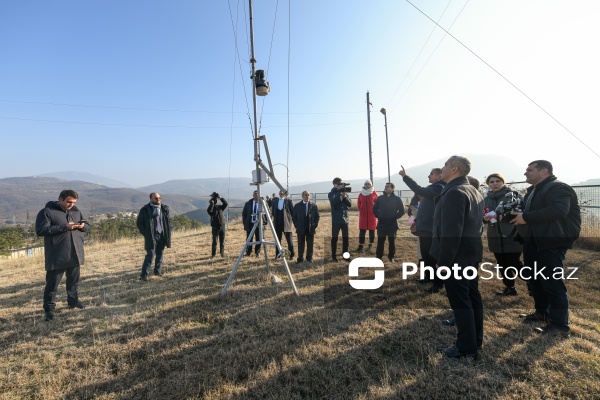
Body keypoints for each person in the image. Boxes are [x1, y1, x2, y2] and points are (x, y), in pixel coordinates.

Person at [511, 160, 580, 337]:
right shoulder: (534, 191)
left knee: (552, 283)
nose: (525, 173)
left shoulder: (558, 188)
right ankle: (542, 313)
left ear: (544, 171)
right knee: (535, 280)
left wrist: (525, 217)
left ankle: (559, 326)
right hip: (534, 242)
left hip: (552, 243)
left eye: (530, 170)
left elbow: (558, 210)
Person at [430, 156, 484, 358]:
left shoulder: (455, 192)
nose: (441, 169)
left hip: (456, 258)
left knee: (461, 301)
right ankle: (475, 341)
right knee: (472, 298)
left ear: (454, 169)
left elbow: (452, 232)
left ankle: (465, 347)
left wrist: (443, 263)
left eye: (444, 166)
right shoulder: (473, 191)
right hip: (470, 254)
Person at [35, 189, 91, 321]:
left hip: (75, 252)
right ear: (60, 199)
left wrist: (83, 226)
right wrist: (64, 227)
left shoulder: (76, 211)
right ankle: (49, 310)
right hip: (57, 254)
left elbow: (87, 225)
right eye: (68, 202)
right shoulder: (46, 212)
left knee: (73, 282)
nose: (71, 204)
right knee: (52, 285)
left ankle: (73, 302)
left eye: (73, 202)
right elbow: (41, 230)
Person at [399, 166, 445, 292]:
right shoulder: (433, 188)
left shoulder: (439, 187)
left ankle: (438, 283)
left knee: (433, 256)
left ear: (439, 176)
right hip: (425, 227)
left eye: (431, 174)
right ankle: (428, 277)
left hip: (431, 228)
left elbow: (418, 190)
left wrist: (405, 177)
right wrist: (417, 222)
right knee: (425, 255)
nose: (428, 176)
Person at [483, 173, 524, 296]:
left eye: (497, 181)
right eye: (491, 182)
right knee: (502, 264)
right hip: (494, 236)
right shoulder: (486, 199)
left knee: (514, 263)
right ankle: (510, 288)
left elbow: (519, 212)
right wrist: (484, 218)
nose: (495, 184)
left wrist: (499, 216)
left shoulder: (512, 196)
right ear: (488, 184)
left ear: (503, 182)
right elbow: (483, 217)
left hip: (511, 235)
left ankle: (533, 284)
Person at [136, 192, 173, 281]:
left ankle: (158, 271)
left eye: (160, 197)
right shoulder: (145, 209)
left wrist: (168, 230)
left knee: (160, 254)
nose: (158, 199)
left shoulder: (164, 208)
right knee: (150, 255)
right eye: (156, 198)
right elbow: (139, 223)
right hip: (151, 236)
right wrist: (146, 233)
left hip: (162, 235)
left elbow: (168, 221)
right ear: (151, 199)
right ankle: (144, 275)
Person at [372, 182, 405, 262]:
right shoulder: (380, 198)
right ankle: (379, 257)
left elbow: (402, 211)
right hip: (381, 224)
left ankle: (391, 257)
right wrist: (378, 215)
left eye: (388, 187)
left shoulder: (397, 199)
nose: (386, 188)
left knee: (392, 242)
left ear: (392, 189)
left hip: (392, 224)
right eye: (385, 186)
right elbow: (374, 209)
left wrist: (395, 216)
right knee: (380, 242)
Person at [292, 191, 320, 264]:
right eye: (305, 195)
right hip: (300, 228)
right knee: (300, 244)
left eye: (308, 195)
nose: (307, 196)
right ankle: (300, 258)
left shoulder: (313, 206)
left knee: (310, 244)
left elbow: (317, 216)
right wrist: (297, 226)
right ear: (302, 196)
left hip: (310, 228)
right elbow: (294, 217)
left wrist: (314, 225)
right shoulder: (297, 206)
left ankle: (309, 258)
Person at [328, 177, 352, 262]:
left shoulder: (344, 192)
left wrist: (345, 197)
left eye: (340, 184)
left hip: (345, 219)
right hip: (336, 220)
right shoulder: (331, 193)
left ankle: (345, 255)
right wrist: (339, 193)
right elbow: (333, 202)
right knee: (335, 238)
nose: (340, 186)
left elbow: (350, 204)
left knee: (346, 238)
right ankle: (334, 256)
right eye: (338, 184)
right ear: (334, 184)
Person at [271, 189, 295, 259]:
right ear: (278, 193)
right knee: (278, 240)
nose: (281, 193)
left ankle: (291, 255)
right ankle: (277, 254)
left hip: (286, 223)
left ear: (285, 194)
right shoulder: (275, 202)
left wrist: (290, 221)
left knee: (289, 240)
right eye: (280, 192)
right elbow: (273, 212)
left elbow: (292, 212)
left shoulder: (288, 201)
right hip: (278, 223)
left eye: (282, 192)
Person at [356, 180, 378, 253]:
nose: (367, 185)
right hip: (363, 215)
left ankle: (370, 245)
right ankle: (360, 246)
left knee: (372, 231)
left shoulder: (374, 193)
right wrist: (361, 210)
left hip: (372, 216)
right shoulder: (361, 194)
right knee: (362, 231)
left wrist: (375, 211)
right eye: (366, 184)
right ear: (364, 185)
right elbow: (359, 203)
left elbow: (378, 204)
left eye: (368, 184)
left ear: (371, 185)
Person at [207, 192, 228, 258]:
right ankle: (213, 254)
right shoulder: (211, 208)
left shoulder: (220, 207)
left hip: (222, 226)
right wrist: (212, 204)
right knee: (215, 241)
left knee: (222, 241)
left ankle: (222, 253)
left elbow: (226, 204)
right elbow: (210, 211)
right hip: (215, 227)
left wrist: (221, 198)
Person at [242, 190, 262, 257]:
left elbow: (267, 213)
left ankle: (257, 252)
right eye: (255, 194)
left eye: (257, 194)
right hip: (250, 224)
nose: (256, 195)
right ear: (253, 195)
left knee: (259, 238)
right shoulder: (248, 203)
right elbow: (244, 213)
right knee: (249, 239)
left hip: (259, 224)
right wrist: (244, 222)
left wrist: (265, 222)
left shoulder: (262, 203)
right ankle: (248, 252)